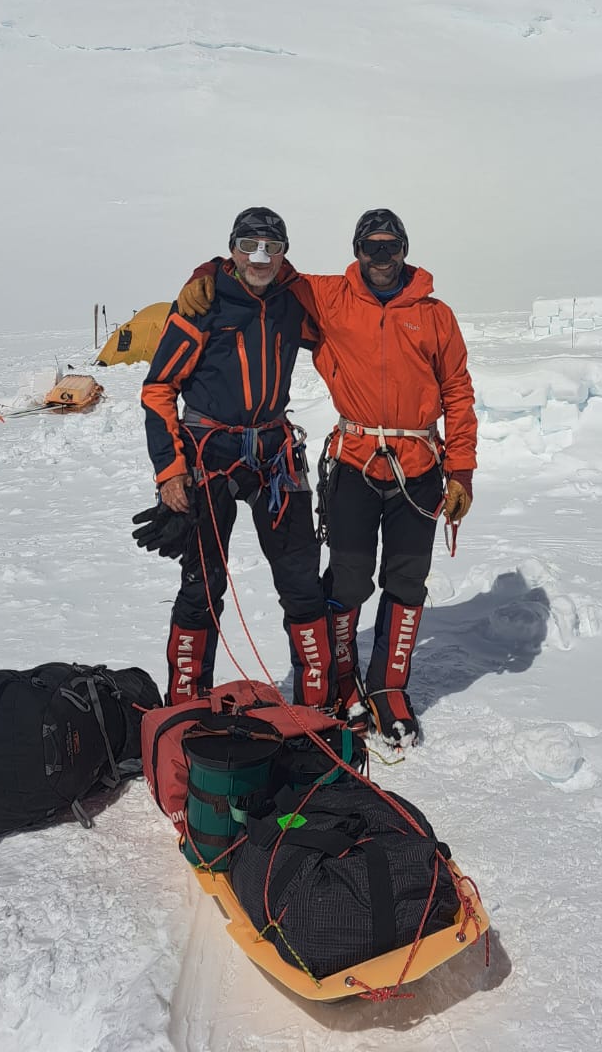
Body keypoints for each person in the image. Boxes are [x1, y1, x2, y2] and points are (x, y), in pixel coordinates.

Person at [178, 209, 476, 748]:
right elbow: (263, 270)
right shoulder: (328, 297)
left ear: (405, 249)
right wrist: (206, 271)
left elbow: (457, 391)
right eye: (371, 248)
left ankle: (388, 688)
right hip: (356, 459)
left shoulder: (436, 315)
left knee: (407, 581)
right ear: (356, 250)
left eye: (390, 248)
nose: (380, 259)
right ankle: (339, 682)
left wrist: (462, 469)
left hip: (420, 463)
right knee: (347, 579)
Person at [134, 207, 332, 709]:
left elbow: (344, 316)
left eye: (272, 247)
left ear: (286, 254)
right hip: (209, 452)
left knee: (300, 580)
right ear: (232, 249)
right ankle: (185, 702)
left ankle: (316, 703)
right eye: (248, 246)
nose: (260, 258)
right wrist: (170, 472)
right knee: (203, 582)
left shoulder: (294, 299)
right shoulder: (203, 304)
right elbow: (159, 389)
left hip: (273, 454)